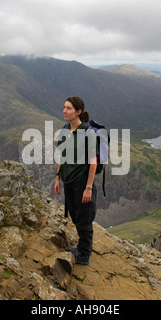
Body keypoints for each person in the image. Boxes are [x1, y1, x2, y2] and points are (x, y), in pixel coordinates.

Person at [54, 97, 98, 265]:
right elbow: (61, 156)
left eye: (69, 108)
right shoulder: (64, 130)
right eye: (64, 107)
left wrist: (88, 187)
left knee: (84, 217)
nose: (64, 111)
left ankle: (84, 254)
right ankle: (81, 248)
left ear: (78, 112)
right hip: (68, 181)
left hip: (82, 182)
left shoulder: (88, 133)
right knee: (74, 213)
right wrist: (58, 178)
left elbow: (93, 162)